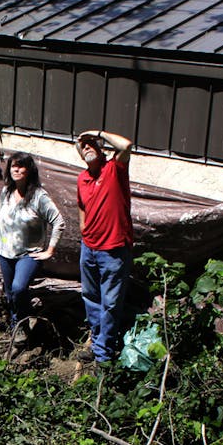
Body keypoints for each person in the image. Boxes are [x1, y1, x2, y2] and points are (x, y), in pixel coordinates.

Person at [75, 129, 135, 364]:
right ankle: (97, 339)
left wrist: (96, 132)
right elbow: (81, 204)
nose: (87, 147)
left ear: (101, 150)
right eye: (83, 146)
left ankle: (103, 355)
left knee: (110, 303)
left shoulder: (114, 169)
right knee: (91, 297)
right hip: (88, 247)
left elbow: (126, 145)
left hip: (113, 249)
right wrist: (83, 227)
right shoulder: (82, 178)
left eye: (92, 145)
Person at [0, 152, 63, 337]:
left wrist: (50, 250)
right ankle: (18, 328)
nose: (16, 169)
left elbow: (58, 222)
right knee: (10, 294)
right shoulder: (6, 192)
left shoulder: (39, 196)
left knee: (19, 288)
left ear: (29, 170)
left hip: (29, 254)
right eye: (13, 166)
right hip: (5, 252)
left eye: (21, 166)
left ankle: (23, 320)